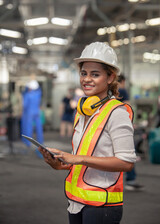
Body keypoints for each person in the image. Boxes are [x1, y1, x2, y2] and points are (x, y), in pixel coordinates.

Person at [39, 42, 136, 224]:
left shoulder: (117, 113)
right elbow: (85, 158)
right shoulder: (84, 111)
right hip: (76, 202)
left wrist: (77, 158)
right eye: (84, 73)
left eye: (95, 74)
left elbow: (126, 162)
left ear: (110, 77)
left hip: (102, 208)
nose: (87, 79)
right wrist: (61, 164)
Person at [118, 74, 144, 191]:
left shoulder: (107, 91)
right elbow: (127, 107)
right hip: (121, 126)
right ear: (122, 81)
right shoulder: (122, 90)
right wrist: (130, 123)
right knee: (128, 153)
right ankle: (130, 180)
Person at [21, 80, 44, 157]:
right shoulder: (38, 93)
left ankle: (27, 143)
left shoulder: (27, 95)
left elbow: (25, 105)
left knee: (28, 128)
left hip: (29, 112)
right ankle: (40, 142)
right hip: (37, 112)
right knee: (39, 128)